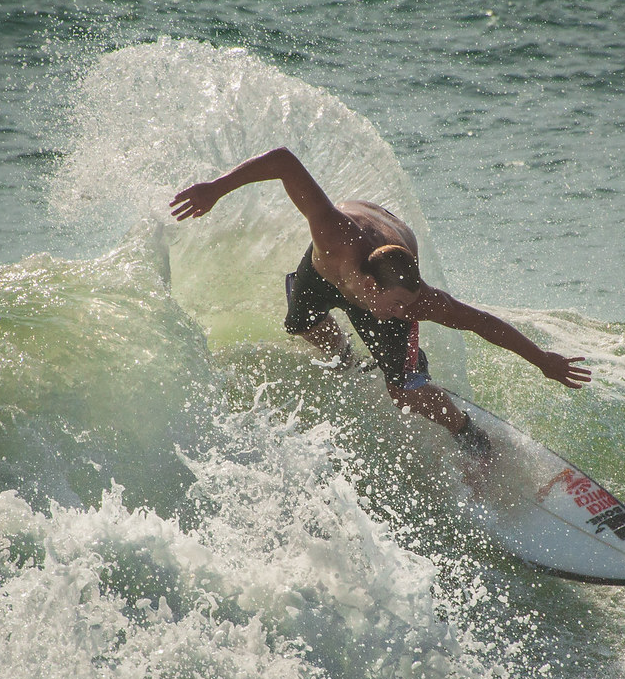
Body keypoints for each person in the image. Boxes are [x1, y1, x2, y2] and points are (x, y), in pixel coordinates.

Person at [171, 147, 591, 454]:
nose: (404, 314)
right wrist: (216, 189)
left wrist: (543, 361)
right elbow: (283, 161)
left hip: (388, 241)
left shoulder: (414, 299)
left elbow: (481, 322)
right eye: (396, 307)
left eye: (408, 307)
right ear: (368, 282)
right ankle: (348, 361)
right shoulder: (334, 236)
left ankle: (468, 434)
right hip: (326, 270)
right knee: (301, 327)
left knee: (404, 390)